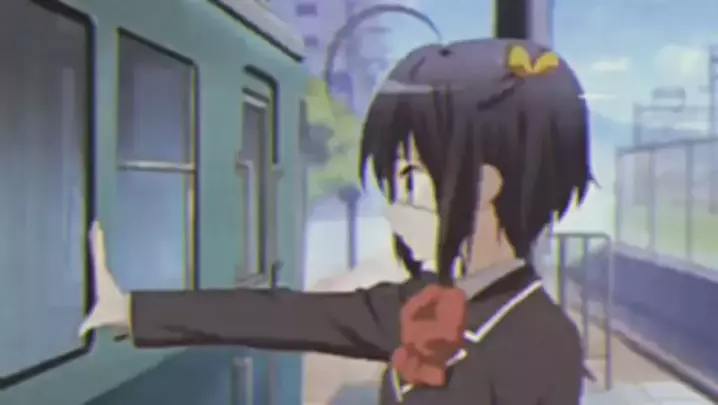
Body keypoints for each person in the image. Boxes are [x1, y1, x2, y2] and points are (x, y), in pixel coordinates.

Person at [80, 15, 593, 405]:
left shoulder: (545, 342)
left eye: (410, 179)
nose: (394, 209)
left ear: (486, 183)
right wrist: (132, 310)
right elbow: (286, 314)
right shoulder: (423, 302)